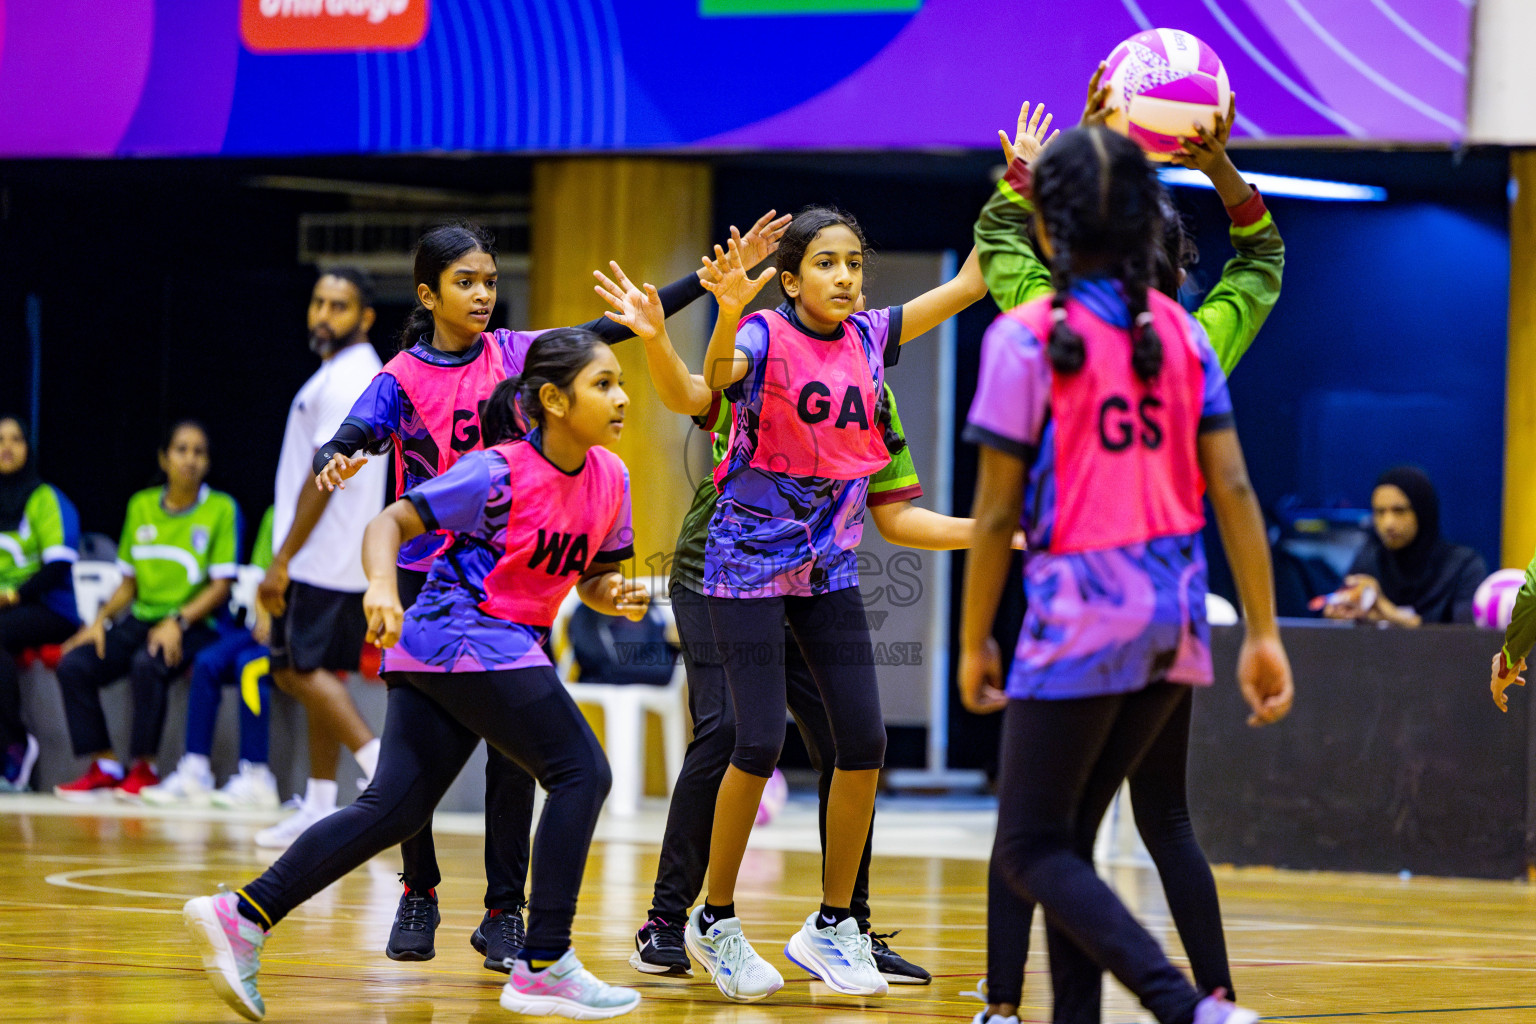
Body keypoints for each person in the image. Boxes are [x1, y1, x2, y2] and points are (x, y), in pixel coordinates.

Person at [310, 215, 789, 968]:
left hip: (505, 570)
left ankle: (506, 912)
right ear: (427, 293)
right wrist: (337, 456)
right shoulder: (400, 376)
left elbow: (611, 329)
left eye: (490, 282)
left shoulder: (513, 353)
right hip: (425, 572)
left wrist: (699, 285)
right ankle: (420, 888)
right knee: (412, 763)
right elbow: (353, 433)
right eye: (465, 282)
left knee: (515, 754)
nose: (482, 295)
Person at [184, 332, 647, 1022]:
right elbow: (391, 520)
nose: (622, 396)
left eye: (619, 382)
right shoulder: (495, 471)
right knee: (583, 772)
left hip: (474, 646)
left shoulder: (612, 479)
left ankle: (245, 912)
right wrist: (379, 586)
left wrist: (614, 597)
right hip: (463, 634)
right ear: (552, 400)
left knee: (395, 807)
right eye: (604, 384)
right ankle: (545, 962)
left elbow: (596, 576)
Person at [959, 126, 1292, 1024]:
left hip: (1077, 620)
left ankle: (1186, 1007)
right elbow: (1234, 486)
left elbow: (994, 517)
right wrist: (1261, 631)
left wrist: (973, 640)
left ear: (1048, 224)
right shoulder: (1187, 337)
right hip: (1176, 618)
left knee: (1029, 847)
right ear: (1151, 221)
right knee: (1070, 840)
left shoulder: (1027, 334)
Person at [595, 260, 999, 986]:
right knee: (735, 734)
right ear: (791, 284)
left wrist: (997, 530)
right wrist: (694, 322)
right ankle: (675, 917)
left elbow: (899, 515)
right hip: (725, 567)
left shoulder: (871, 383)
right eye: (828, 263)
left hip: (817, 578)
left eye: (856, 266)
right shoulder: (762, 351)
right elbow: (698, 390)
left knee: (855, 740)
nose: (848, 279)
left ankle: (845, 923)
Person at [250, 268, 388, 849]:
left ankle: (382, 770)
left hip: (322, 555)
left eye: (339, 305)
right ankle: (321, 803)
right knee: (306, 672)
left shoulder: (351, 377)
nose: (324, 314)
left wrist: (281, 559)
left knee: (297, 671)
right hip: (330, 555)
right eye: (318, 302)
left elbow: (321, 477)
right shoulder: (340, 373)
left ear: (365, 316)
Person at [54, 421, 239, 799]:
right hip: (141, 617)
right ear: (164, 458)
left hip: (195, 622)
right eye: (181, 450)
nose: (190, 459)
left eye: (199, 452)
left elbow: (222, 586)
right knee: (74, 663)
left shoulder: (220, 508)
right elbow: (128, 584)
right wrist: (100, 621)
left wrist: (178, 621)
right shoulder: (140, 506)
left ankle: (145, 767)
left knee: (147, 661)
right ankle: (105, 764)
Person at [142, 505, 279, 810]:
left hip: (306, 627)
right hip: (269, 623)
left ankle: (258, 777)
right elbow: (259, 576)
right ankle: (195, 771)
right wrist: (264, 616)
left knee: (249, 666)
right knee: (207, 661)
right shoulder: (275, 512)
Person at [0, 415, 81, 791]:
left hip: (51, 608)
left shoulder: (45, 498)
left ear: (28, 449)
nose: (7, 446)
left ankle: (15, 742)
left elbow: (59, 563)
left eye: (16, 439)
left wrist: (14, 595)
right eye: (0, 439)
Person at [1319, 466, 1486, 628]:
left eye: (1399, 511)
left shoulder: (1462, 567)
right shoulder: (1369, 562)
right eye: (1380, 512)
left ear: (1422, 512)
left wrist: (1390, 614)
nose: (1388, 523)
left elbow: (1467, 641)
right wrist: (1337, 614)